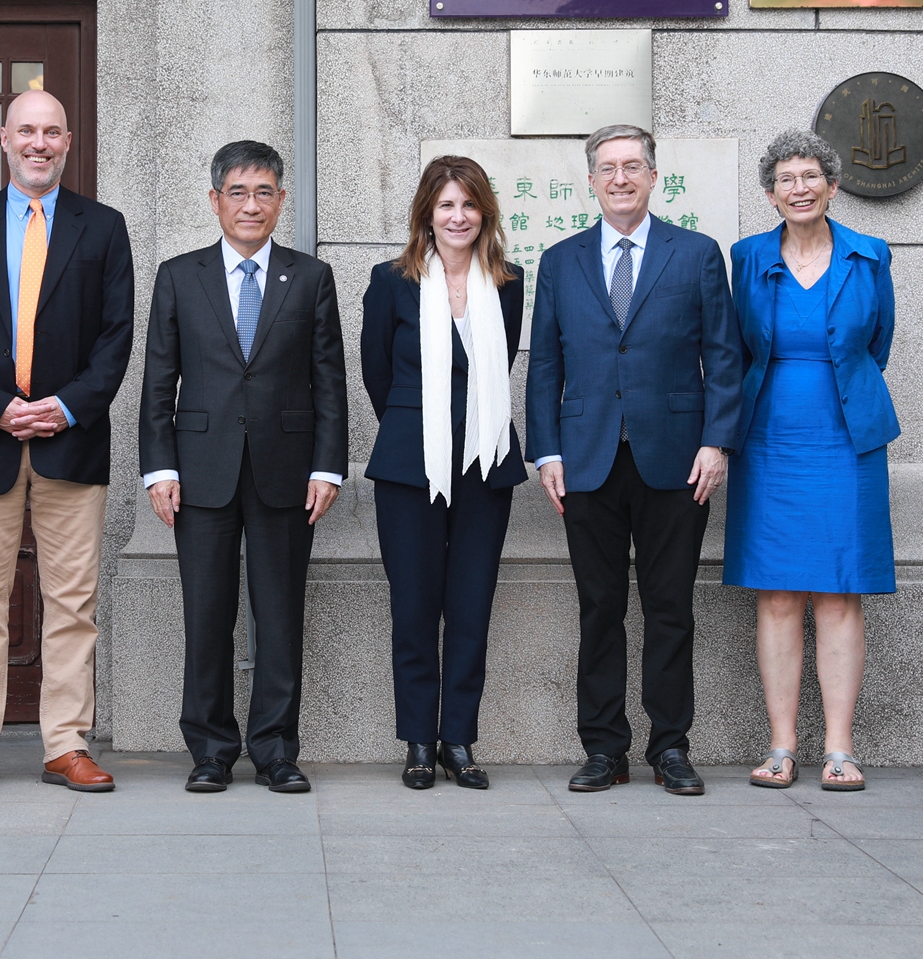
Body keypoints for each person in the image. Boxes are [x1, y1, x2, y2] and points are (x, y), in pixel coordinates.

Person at [0, 89, 134, 793]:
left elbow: (116, 337)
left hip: (71, 443)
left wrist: (67, 407)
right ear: (5, 141)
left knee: (72, 602)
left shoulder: (103, 228)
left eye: (51, 131)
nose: (39, 143)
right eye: (26, 131)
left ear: (68, 142)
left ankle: (66, 744)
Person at [527, 124, 741, 797]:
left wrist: (717, 441)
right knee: (599, 608)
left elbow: (724, 356)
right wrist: (547, 451)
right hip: (586, 460)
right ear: (591, 180)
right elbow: (545, 364)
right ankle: (603, 748)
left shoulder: (696, 254)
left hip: (676, 460)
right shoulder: (560, 260)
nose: (620, 178)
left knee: (670, 607)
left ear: (653, 176)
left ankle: (670, 746)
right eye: (608, 168)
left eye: (632, 166)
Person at [140, 141, 348, 794]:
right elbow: (158, 381)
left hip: (287, 471)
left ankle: (276, 749)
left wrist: (328, 467)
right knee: (207, 615)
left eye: (263, 192)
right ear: (215, 201)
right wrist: (159, 469)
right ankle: (210, 749)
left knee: (279, 615)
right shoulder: (180, 276)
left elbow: (329, 381)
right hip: (199, 471)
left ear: (281, 200)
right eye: (238, 192)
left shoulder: (310, 277)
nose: (251, 205)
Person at [726, 129, 898, 794]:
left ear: (833, 185)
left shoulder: (870, 255)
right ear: (771, 195)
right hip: (769, 439)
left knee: (839, 592)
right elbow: (738, 344)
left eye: (810, 176)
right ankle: (781, 746)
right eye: (785, 179)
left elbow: (877, 343)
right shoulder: (747, 257)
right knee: (776, 593)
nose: (799, 188)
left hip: (846, 439)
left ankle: (839, 749)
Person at [361, 156, 526, 791]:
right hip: (410, 464)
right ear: (427, 214)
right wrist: (420, 428)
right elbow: (377, 372)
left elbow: (501, 365)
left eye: (469, 205)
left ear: (485, 212)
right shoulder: (390, 281)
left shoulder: (508, 282)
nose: (458, 217)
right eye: (446, 205)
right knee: (414, 607)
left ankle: (458, 738)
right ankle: (418, 741)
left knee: (470, 606)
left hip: (486, 463)